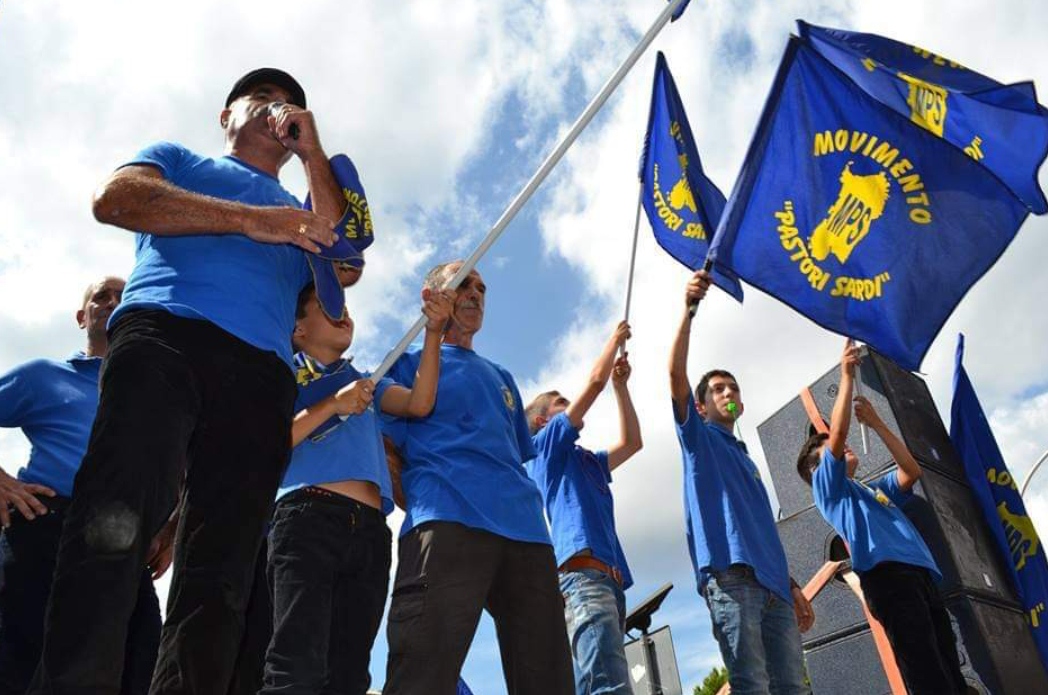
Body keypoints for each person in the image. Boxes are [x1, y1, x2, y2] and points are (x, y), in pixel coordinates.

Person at [28, 68, 344, 695]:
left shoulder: (305, 211)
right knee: (113, 518)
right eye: (260, 99)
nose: (276, 108)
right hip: (164, 336)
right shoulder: (180, 159)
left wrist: (314, 156)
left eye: (289, 106)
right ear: (225, 116)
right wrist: (250, 220)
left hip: (262, 374)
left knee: (223, 565)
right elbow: (114, 199)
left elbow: (342, 262)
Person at [381, 260, 574, 695]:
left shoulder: (503, 377)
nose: (475, 294)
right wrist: (424, 501)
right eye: (463, 284)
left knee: (550, 680)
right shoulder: (404, 364)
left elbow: (516, 456)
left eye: (482, 288)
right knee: (422, 675)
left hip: (527, 534)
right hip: (447, 521)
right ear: (432, 297)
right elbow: (385, 449)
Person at [259, 282, 453, 694]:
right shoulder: (281, 373)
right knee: (297, 663)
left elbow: (418, 403)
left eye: (343, 305)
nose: (342, 312)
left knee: (349, 673)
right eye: (326, 308)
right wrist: (332, 405)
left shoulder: (368, 380)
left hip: (369, 530)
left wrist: (433, 331)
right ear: (298, 329)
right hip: (307, 517)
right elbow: (263, 442)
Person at [0, 278, 162, 695]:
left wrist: (170, 529)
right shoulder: (43, 375)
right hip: (44, 528)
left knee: (139, 664)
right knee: (22, 663)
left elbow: (180, 467)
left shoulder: (159, 397)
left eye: (123, 298)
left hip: (124, 544)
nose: (112, 303)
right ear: (81, 316)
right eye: (101, 297)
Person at [669, 270, 814, 695]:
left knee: (793, 686)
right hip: (730, 578)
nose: (728, 391)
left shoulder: (746, 456)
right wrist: (688, 311)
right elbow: (675, 378)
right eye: (718, 388)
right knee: (751, 684)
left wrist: (791, 585)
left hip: (775, 586)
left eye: (732, 386)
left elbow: (762, 529)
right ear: (701, 404)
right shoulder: (697, 438)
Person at [795, 340, 966, 694]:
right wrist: (846, 375)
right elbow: (839, 434)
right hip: (888, 579)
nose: (842, 445)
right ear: (819, 468)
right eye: (829, 446)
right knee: (927, 674)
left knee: (950, 670)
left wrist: (875, 423)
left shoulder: (873, 489)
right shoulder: (829, 490)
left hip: (920, 576)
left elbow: (910, 471)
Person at [524, 321, 642, 695]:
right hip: (583, 579)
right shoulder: (545, 446)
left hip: (608, 580)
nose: (569, 405)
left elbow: (632, 443)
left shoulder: (586, 459)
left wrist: (622, 389)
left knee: (595, 684)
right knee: (610, 687)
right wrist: (613, 339)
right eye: (561, 403)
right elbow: (593, 383)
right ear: (545, 420)